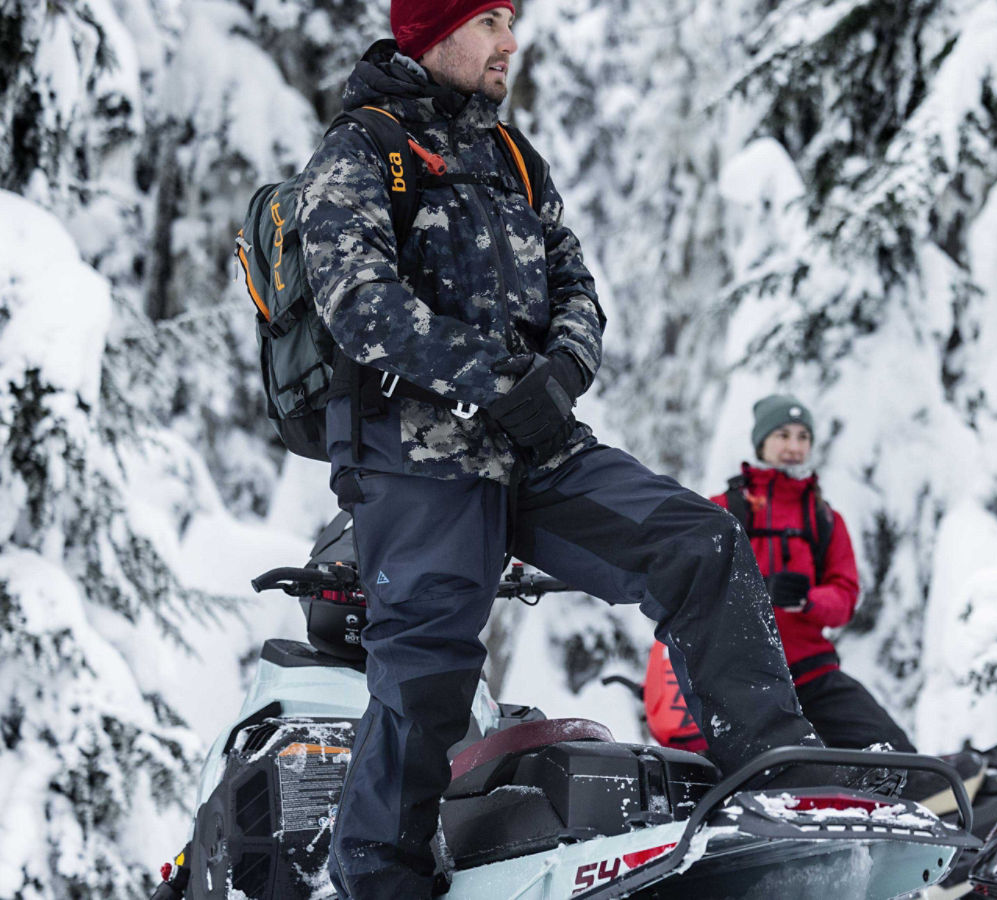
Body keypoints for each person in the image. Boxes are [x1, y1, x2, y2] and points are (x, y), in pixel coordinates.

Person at [296, 4, 825, 895]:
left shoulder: (511, 157)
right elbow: (359, 305)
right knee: (428, 673)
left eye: (511, 20)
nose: (510, 41)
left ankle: (775, 783)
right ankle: (378, 879)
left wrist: (562, 373)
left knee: (697, 543)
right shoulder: (361, 150)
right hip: (418, 461)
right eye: (490, 21)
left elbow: (576, 281)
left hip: (537, 452)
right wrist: (501, 378)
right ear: (434, 31)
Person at [645, 395, 915, 753]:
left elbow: (845, 598)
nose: (793, 446)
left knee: (894, 752)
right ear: (762, 442)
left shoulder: (825, 519)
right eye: (783, 435)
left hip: (810, 670)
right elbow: (687, 579)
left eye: (803, 437)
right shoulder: (723, 510)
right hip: (742, 677)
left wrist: (807, 599)